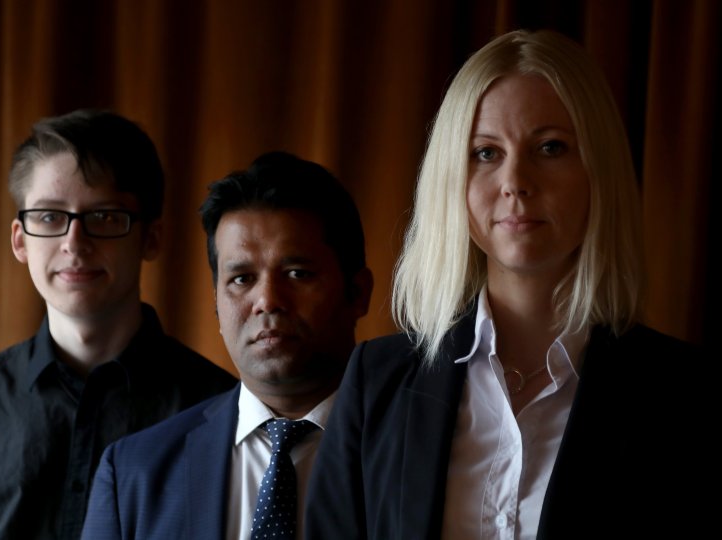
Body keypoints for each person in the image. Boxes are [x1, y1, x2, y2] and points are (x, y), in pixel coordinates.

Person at [305, 29, 712, 539]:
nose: (516, 180)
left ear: (598, 170)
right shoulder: (376, 383)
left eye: (550, 147)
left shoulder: (686, 395)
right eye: (485, 153)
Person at [0, 109, 237, 540]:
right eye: (49, 217)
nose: (74, 244)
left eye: (104, 217)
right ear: (19, 240)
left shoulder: (221, 411)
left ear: (151, 238)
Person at [80, 151, 373, 539]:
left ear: (357, 293)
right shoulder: (133, 472)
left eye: (297, 273)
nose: (267, 299)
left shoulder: (419, 449)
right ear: (216, 304)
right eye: (241, 279)